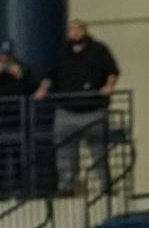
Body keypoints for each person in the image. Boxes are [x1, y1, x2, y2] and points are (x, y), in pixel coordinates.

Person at [36, 21, 120, 194]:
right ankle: (66, 186)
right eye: (71, 30)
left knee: (98, 152)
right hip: (67, 111)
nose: (74, 33)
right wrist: (43, 88)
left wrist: (109, 86)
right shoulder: (61, 52)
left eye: (77, 29)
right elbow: (50, 75)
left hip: (93, 110)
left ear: (84, 30)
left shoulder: (99, 50)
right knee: (65, 154)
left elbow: (111, 71)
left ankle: (105, 187)